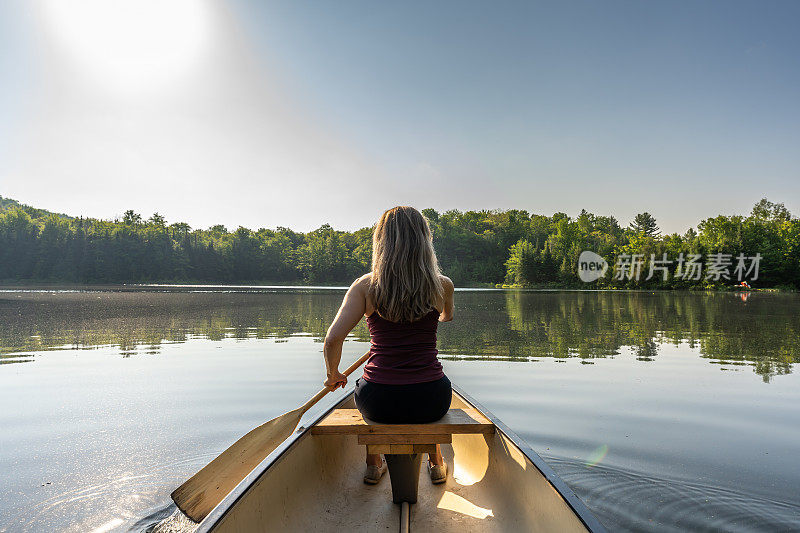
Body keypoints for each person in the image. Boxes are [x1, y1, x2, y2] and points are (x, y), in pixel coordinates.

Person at [322, 206, 455, 485]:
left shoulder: (364, 286)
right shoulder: (443, 285)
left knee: (366, 389)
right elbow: (446, 317)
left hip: (379, 401)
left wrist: (333, 374)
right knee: (427, 397)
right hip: (432, 399)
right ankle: (437, 464)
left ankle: (373, 466)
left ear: (381, 242)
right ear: (424, 240)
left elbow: (333, 339)